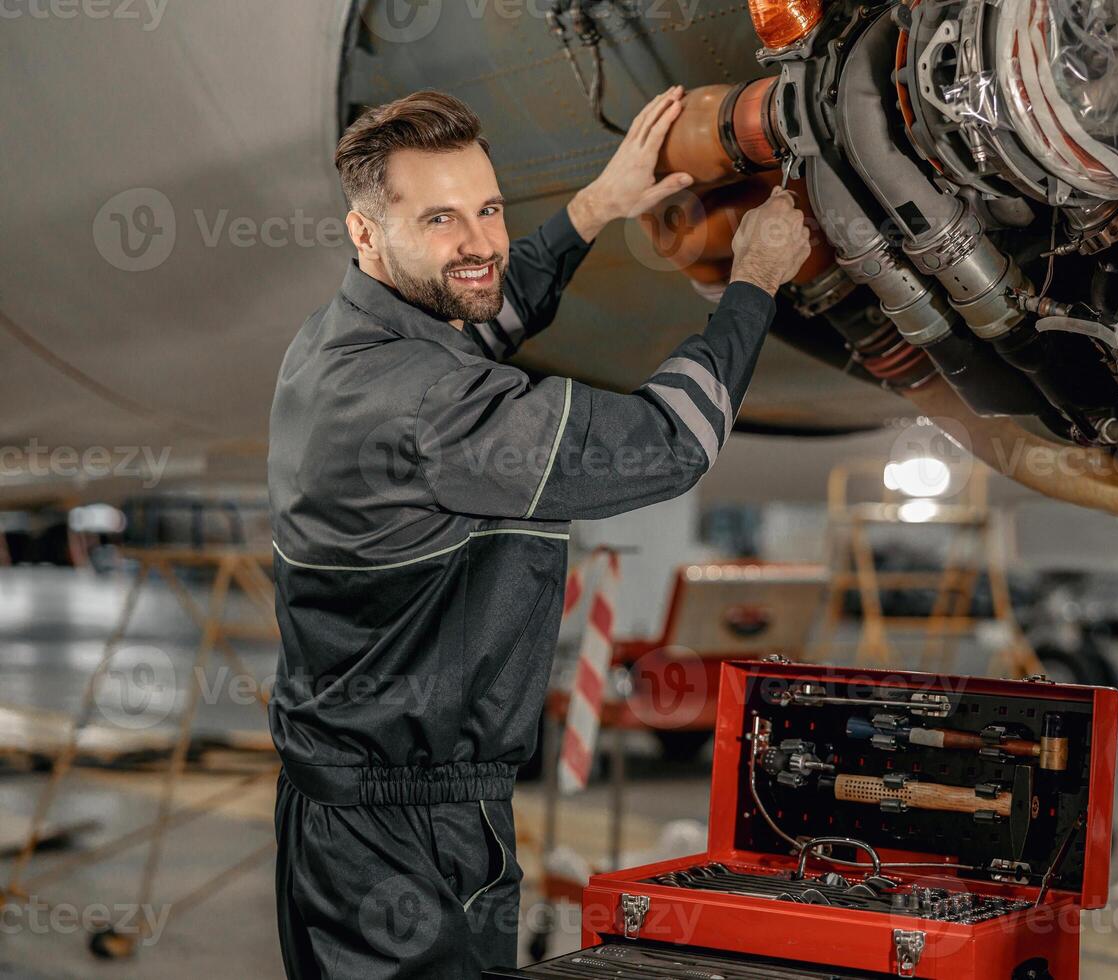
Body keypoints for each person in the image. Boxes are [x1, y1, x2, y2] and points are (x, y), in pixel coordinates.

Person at [267, 86, 810, 978]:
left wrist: (598, 204)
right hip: (405, 832)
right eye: (442, 218)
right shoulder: (431, 406)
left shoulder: (341, 341)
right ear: (365, 233)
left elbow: (479, 313)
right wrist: (756, 279)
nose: (480, 241)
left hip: (355, 809)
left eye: (488, 208)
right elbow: (670, 446)